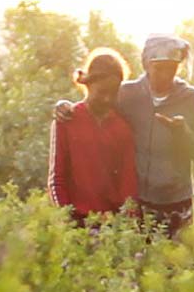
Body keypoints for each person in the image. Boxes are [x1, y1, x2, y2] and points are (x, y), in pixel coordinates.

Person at [56, 33, 194, 239]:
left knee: (179, 267)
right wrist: (62, 106)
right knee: (143, 267)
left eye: (172, 69)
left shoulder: (190, 98)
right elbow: (95, 103)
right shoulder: (127, 94)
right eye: (159, 68)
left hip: (177, 204)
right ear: (146, 64)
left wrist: (183, 132)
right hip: (140, 206)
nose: (165, 76)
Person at [47, 48, 139, 224]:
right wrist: (66, 219)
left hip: (111, 223)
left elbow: (128, 184)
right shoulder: (66, 120)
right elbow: (57, 178)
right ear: (87, 85)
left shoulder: (122, 128)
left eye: (113, 93)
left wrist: (128, 224)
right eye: (102, 92)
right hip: (75, 221)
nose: (107, 99)